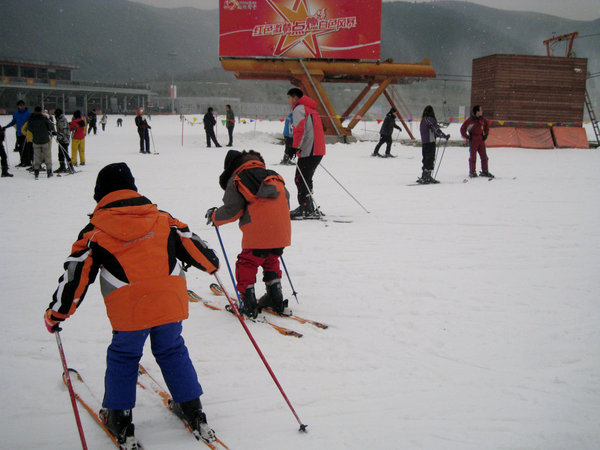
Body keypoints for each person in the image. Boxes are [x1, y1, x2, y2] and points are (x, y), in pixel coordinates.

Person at [43, 162, 221, 446]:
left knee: (124, 356)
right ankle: (193, 409)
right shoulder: (164, 219)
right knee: (172, 349)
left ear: (100, 195)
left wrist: (58, 313)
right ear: (134, 189)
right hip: (169, 302)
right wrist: (209, 265)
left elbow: (75, 277)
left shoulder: (94, 231)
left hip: (129, 309)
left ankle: (119, 417)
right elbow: (200, 251)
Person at [206, 150, 291, 318]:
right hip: (281, 232)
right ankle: (275, 297)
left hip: (258, 234)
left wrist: (215, 216)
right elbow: (286, 199)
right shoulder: (274, 176)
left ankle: (248, 303)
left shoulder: (238, 178)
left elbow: (233, 210)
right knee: (270, 258)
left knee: (247, 263)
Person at [287, 87, 326, 218]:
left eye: (289, 98)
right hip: (317, 150)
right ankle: (308, 206)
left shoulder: (299, 109)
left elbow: (299, 130)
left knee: (300, 178)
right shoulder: (311, 109)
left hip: (309, 150)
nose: (289, 102)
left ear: (294, 98)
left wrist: (294, 147)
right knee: (306, 178)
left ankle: (305, 208)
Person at [418, 105, 449, 184]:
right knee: (430, 158)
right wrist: (444, 136)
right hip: (430, 142)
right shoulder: (431, 120)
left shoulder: (423, 120)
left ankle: (424, 175)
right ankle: (427, 176)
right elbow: (436, 130)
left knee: (425, 158)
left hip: (424, 142)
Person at [460, 105, 493, 178]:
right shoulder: (470, 121)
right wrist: (467, 137)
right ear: (477, 112)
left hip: (481, 139)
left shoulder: (483, 120)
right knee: (473, 157)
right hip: (473, 139)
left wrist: (486, 135)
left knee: (484, 156)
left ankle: (485, 171)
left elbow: (487, 127)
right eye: (480, 110)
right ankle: (472, 172)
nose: (482, 111)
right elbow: (462, 129)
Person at [22, 106, 54, 179]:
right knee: (47, 156)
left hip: (36, 140)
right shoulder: (45, 119)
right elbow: (50, 127)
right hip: (45, 140)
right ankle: (49, 171)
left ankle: (36, 172)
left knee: (36, 157)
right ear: (41, 111)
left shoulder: (32, 120)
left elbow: (29, 128)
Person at [3, 100, 30, 166]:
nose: (22, 106)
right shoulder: (16, 113)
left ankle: (28, 162)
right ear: (18, 106)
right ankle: (22, 161)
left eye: (23, 105)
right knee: (20, 148)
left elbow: (30, 122)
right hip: (19, 133)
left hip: (26, 133)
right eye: (20, 105)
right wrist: (7, 126)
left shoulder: (28, 113)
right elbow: (13, 122)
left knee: (26, 148)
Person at [54, 108, 74, 174]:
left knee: (65, 153)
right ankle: (62, 167)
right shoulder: (60, 119)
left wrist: (58, 135)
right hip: (61, 139)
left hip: (64, 139)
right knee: (60, 154)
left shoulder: (62, 120)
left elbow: (64, 131)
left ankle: (70, 167)